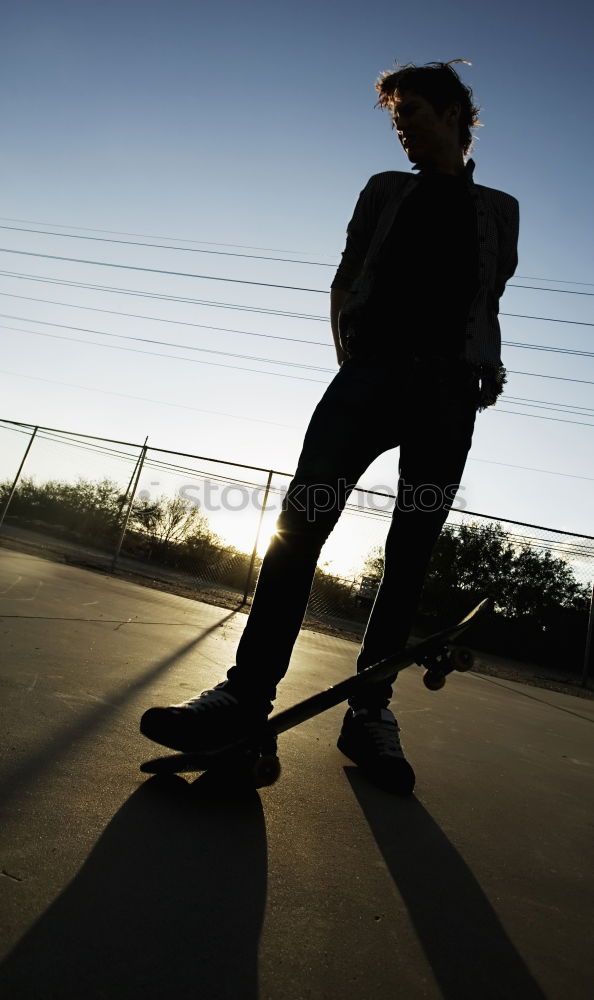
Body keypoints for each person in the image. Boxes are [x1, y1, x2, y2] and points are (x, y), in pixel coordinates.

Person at [140, 60, 519, 795]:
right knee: (301, 525)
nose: (399, 125)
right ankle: (246, 695)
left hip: (448, 397)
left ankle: (370, 712)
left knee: (410, 551)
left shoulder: (501, 208)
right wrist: (353, 364)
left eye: (409, 110)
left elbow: (489, 297)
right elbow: (346, 276)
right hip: (371, 380)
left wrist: (482, 371)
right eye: (393, 115)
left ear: (451, 112)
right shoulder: (386, 189)